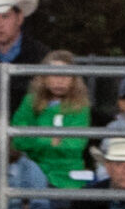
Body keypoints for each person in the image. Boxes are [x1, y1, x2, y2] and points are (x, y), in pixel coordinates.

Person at [12, 51, 94, 189]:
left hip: (67, 177)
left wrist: (36, 137)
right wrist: (52, 140)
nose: (60, 79)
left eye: (66, 75)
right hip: (33, 171)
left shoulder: (81, 106)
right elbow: (18, 140)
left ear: (74, 79)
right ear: (44, 77)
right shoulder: (30, 101)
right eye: (54, 73)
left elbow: (74, 145)